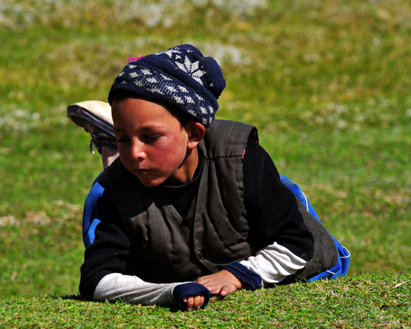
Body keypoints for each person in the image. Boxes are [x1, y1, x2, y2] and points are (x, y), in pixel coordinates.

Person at [69, 44, 350, 312]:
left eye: (150, 137)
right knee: (110, 178)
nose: (135, 153)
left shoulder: (243, 158)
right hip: (179, 277)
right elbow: (97, 279)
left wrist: (236, 275)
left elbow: (298, 244)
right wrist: (171, 291)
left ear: (193, 133)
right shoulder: (117, 188)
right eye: (123, 138)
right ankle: (110, 143)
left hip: (299, 262)